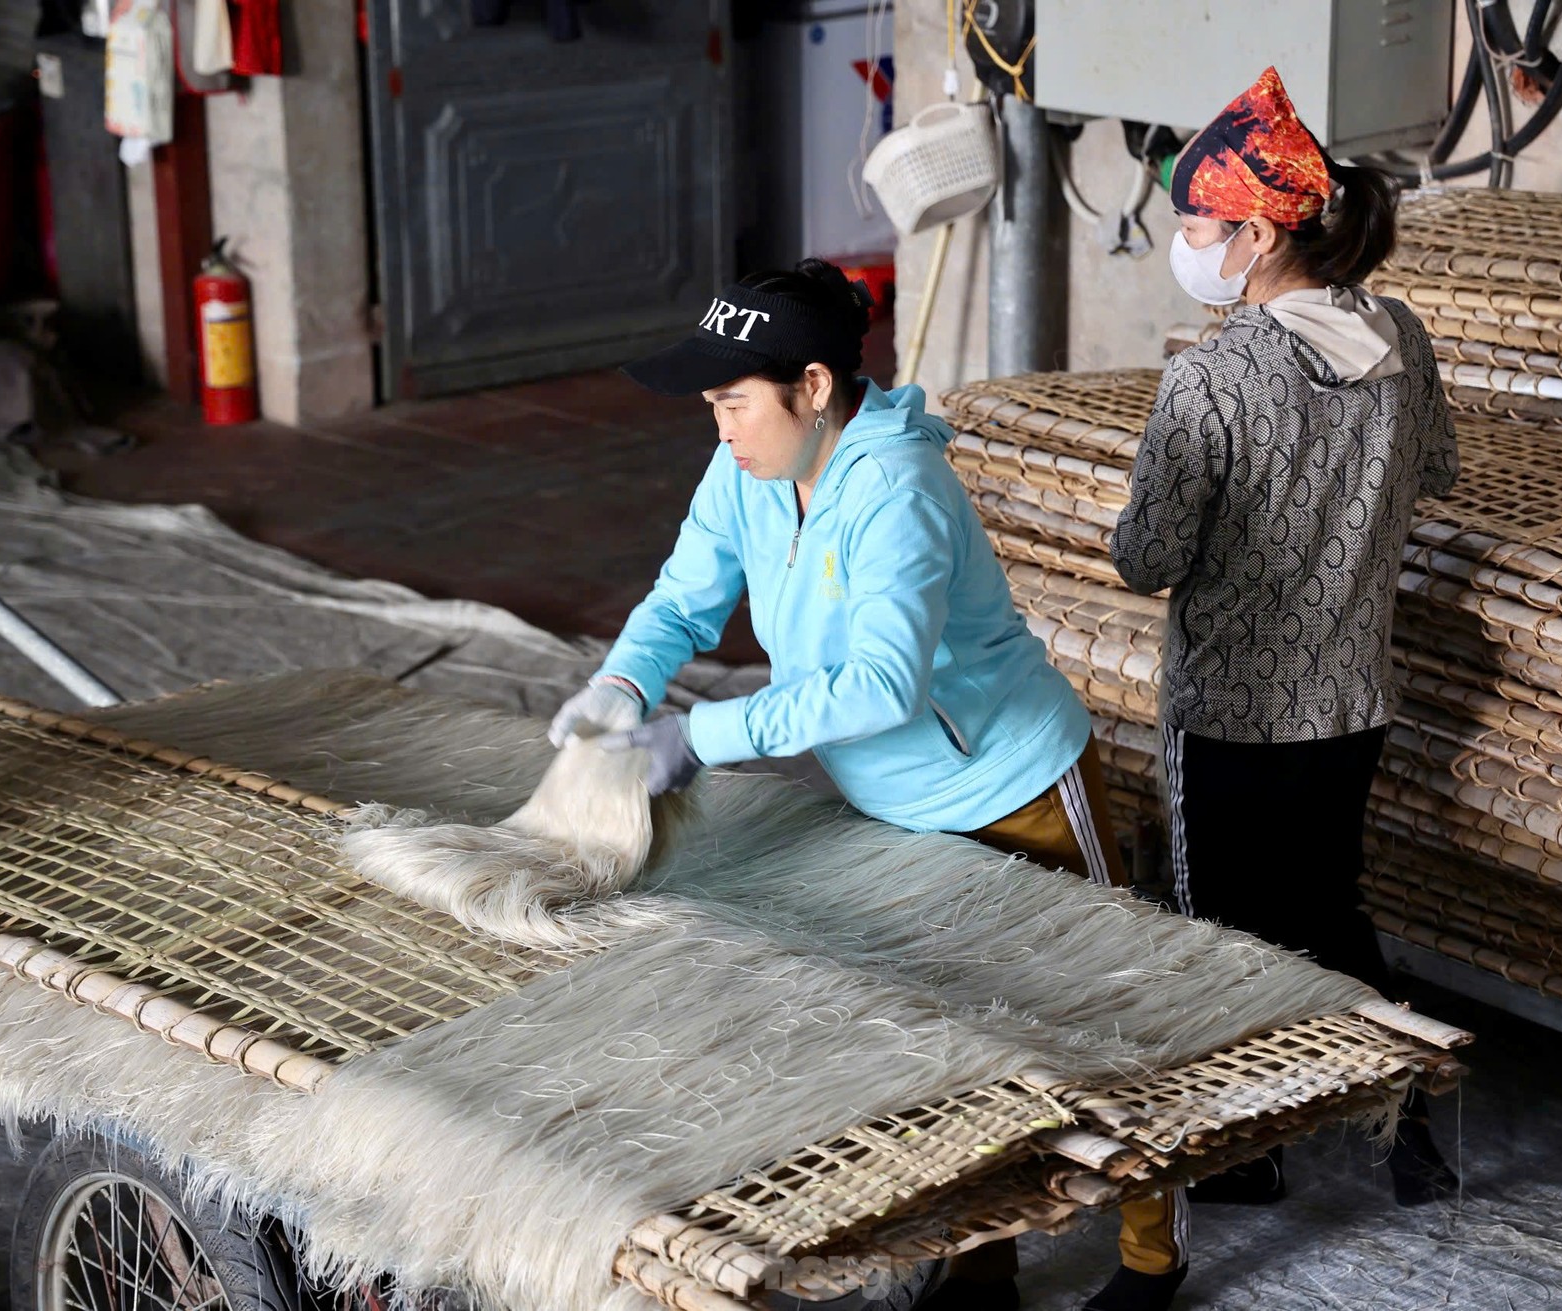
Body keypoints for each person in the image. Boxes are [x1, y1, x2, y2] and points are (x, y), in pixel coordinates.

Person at [549, 259, 1190, 1311]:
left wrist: (699, 737)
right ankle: (984, 1261)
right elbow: (682, 596)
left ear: (810, 387)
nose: (722, 430)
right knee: (950, 1041)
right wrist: (621, 686)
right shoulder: (748, 474)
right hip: (894, 810)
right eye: (711, 407)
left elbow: (885, 686)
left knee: (1097, 1023)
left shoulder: (897, 488)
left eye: (733, 403)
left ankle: (1151, 1257)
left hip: (1011, 789)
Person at [1109, 67, 1461, 1207]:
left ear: (1257, 233)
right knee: (1326, 908)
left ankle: (1246, 1153)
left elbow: (1146, 558)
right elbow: (1439, 475)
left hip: (1235, 711)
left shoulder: (1210, 375)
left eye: (1197, 224)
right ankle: (1412, 1109)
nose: (1184, 242)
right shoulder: (1397, 337)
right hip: (1351, 696)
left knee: (1227, 935)